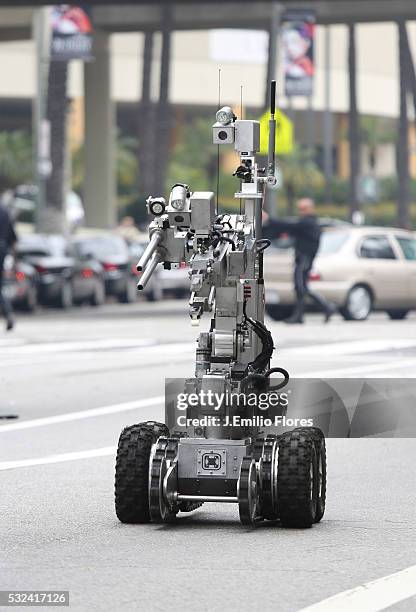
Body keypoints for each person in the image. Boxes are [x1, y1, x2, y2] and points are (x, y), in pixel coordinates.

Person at [263, 198, 336, 324]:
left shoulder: (308, 222)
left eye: (303, 208)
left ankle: (321, 309)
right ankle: (313, 311)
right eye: (300, 208)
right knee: (301, 287)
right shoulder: (308, 222)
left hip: (304, 259)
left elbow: (289, 225)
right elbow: (289, 229)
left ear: (310, 208)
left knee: (301, 287)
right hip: (303, 258)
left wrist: (269, 219)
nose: (301, 211)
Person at [0, 202, 17, 331]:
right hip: (3, 250)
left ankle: (8, 313)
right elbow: (13, 238)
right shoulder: (5, 210)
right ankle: (8, 313)